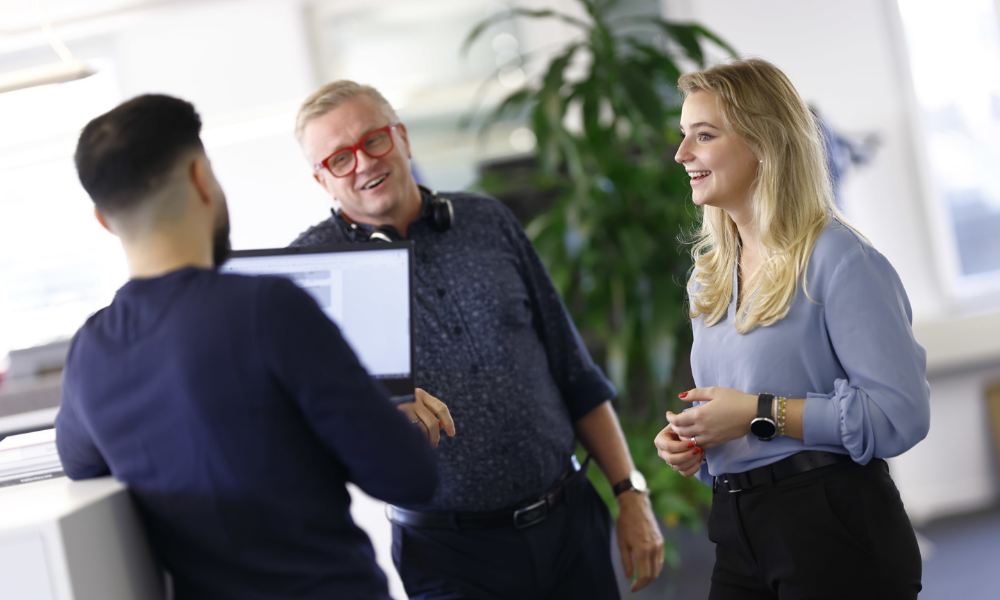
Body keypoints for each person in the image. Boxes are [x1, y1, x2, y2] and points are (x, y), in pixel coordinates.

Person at [55, 94, 451, 600]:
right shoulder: (271, 309)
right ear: (202, 179)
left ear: (104, 220)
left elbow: (84, 468)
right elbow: (409, 477)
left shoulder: (89, 354)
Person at [290, 81, 664, 599]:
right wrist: (379, 412)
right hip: (449, 558)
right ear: (321, 179)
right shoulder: (311, 277)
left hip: (570, 526)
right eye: (339, 159)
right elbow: (306, 434)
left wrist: (631, 494)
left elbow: (573, 370)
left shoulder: (487, 220)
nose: (363, 164)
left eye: (373, 140)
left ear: (401, 138)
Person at [654, 58, 929, 599]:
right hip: (737, 523)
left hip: (833, 523)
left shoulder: (842, 260)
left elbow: (900, 416)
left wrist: (756, 413)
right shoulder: (708, 275)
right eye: (684, 136)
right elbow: (734, 404)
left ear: (764, 142)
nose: (682, 155)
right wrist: (697, 438)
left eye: (703, 136)